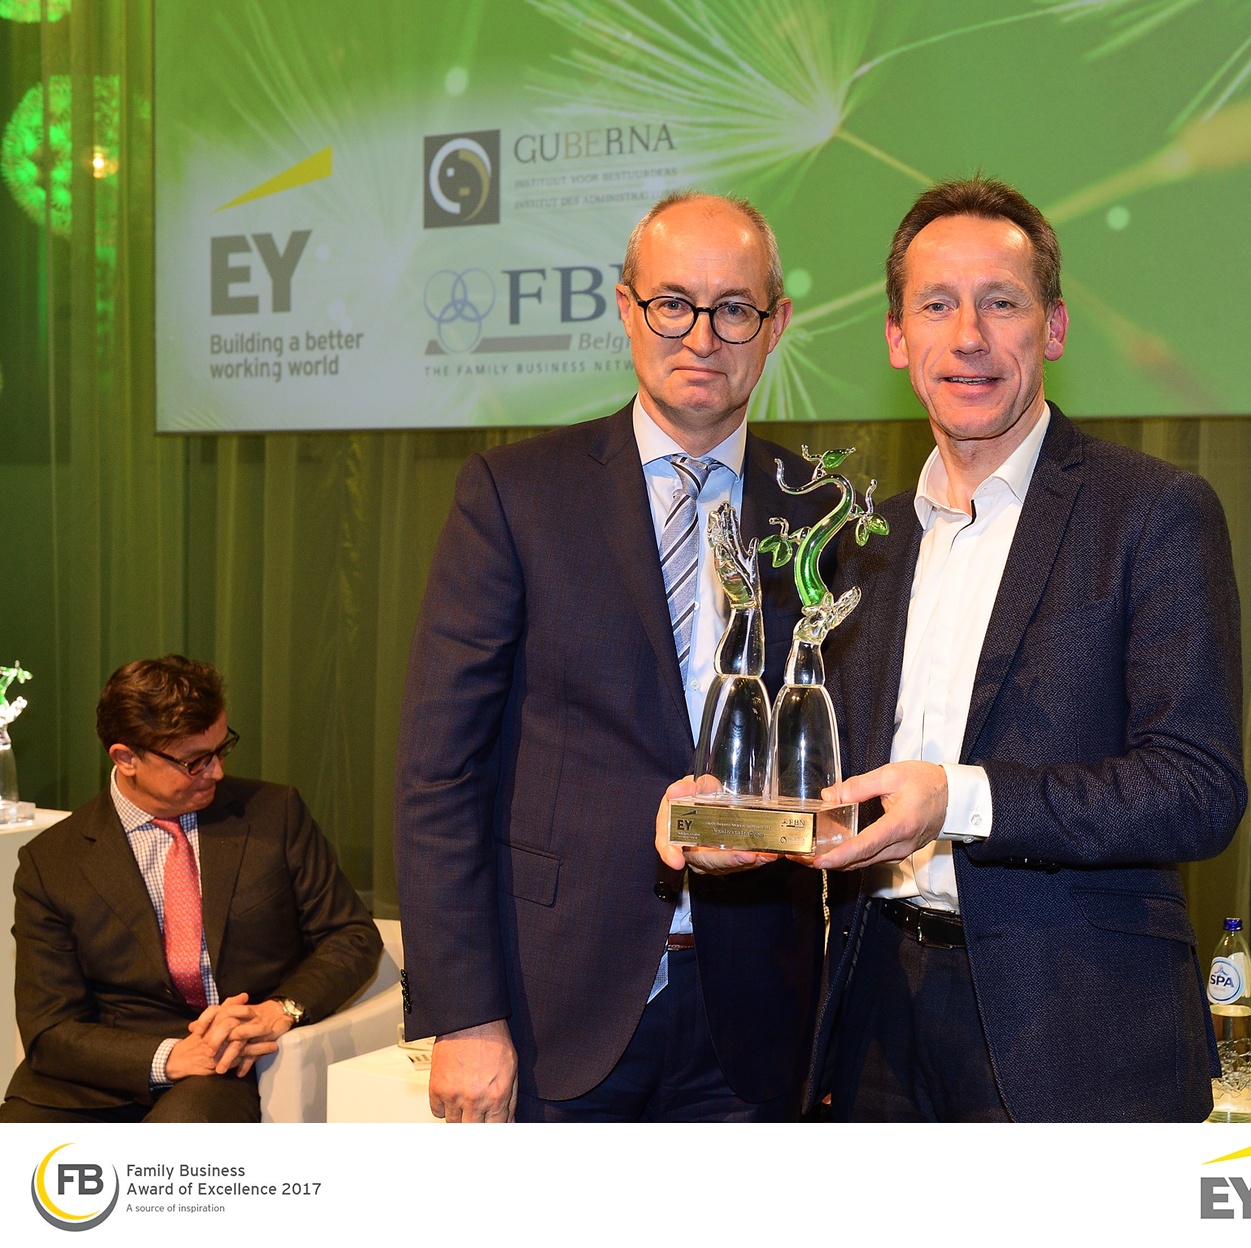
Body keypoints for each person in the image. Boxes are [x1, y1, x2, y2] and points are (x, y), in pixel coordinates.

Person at [805, 178, 1247, 1121]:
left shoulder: (1152, 513)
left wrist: (959, 799)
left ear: (1053, 328)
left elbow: (1197, 790)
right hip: (875, 1002)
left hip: (1074, 1019)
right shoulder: (864, 543)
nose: (968, 336)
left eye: (1000, 303)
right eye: (936, 305)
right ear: (896, 339)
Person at [396, 191, 829, 1122]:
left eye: (735, 308)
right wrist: (465, 1016)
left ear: (776, 323)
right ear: (627, 308)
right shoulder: (515, 496)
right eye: (673, 304)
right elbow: (440, 772)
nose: (701, 337)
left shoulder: (820, 513)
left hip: (757, 1015)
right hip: (557, 1005)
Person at [2, 656, 382, 1123]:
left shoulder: (273, 814)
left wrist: (279, 1009)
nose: (216, 772)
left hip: (223, 1069)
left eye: (222, 749)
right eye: (194, 761)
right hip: (97, 1078)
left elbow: (351, 936)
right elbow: (48, 1027)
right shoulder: (51, 862)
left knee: (174, 1147)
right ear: (125, 758)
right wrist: (167, 1057)